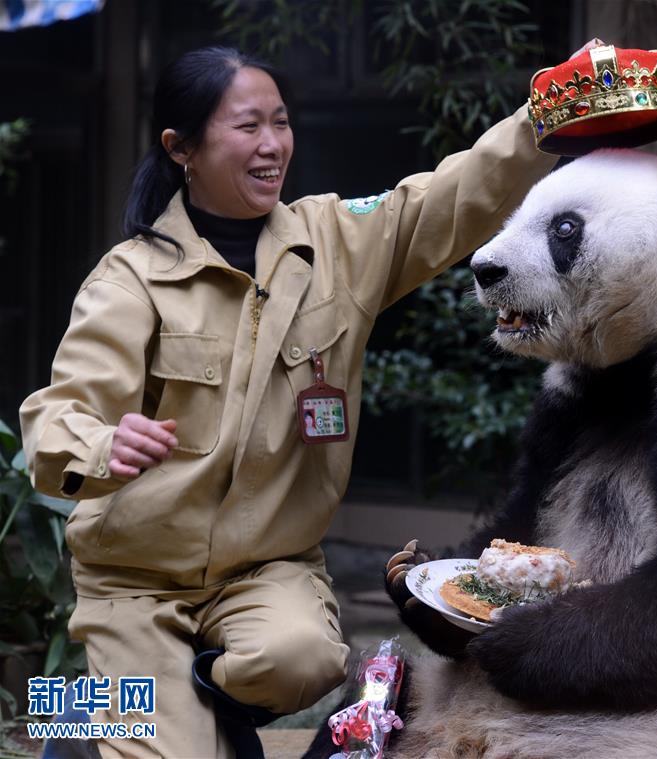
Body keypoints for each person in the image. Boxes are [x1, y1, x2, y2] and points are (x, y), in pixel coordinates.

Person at [19, 41, 575, 758]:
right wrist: (103, 445)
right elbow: (55, 416)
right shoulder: (130, 280)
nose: (272, 144)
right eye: (247, 126)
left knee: (305, 658)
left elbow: (451, 195)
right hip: (139, 576)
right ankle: (92, 723)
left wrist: (547, 111)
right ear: (181, 147)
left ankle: (172, 705)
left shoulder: (335, 241)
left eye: (280, 122)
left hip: (264, 568)